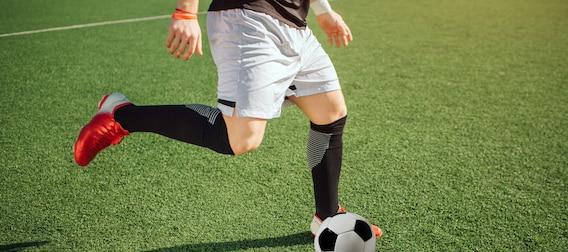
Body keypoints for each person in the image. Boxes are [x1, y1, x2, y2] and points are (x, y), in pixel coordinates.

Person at [74, 0, 382, 238]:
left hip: (295, 26)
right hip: (248, 20)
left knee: (330, 114)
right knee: (241, 139)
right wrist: (185, 11)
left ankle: (325, 217)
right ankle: (122, 115)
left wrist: (323, 10)